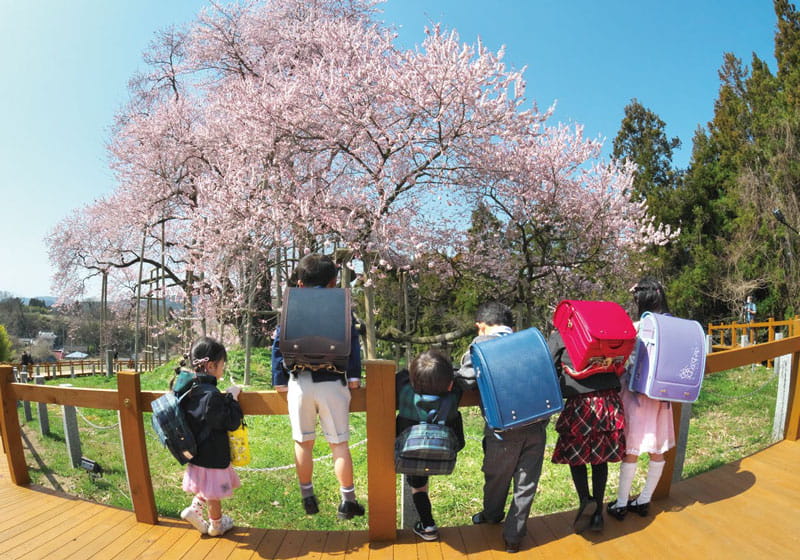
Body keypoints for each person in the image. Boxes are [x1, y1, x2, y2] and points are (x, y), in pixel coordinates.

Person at [271, 253, 365, 519]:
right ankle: (348, 501)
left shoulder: (290, 308)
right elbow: (352, 340)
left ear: (300, 283)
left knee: (304, 442)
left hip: (299, 383)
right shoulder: (340, 307)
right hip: (333, 383)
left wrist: (279, 380)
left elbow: (278, 344)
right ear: (334, 282)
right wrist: (355, 377)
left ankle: (307, 496)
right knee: (339, 445)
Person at [456, 301, 548, 554]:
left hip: (503, 429)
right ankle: (514, 537)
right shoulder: (531, 341)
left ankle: (492, 515)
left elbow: (466, 379)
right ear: (511, 325)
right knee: (526, 483)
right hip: (538, 424)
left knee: (496, 477)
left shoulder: (481, 345)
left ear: (481, 326)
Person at [607, 277, 675, 520]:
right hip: (664, 396)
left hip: (638, 394)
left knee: (632, 449)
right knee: (657, 447)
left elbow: (627, 359)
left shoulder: (641, 325)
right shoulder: (673, 324)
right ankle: (644, 500)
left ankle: (622, 503)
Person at [548, 324, 626, 534]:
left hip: (580, 403)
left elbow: (547, 365)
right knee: (599, 459)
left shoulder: (561, 336)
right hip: (608, 401)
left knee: (577, 457)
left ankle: (585, 500)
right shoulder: (606, 334)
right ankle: (598, 512)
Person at [396, 349, 465, 541]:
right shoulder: (454, 394)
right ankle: (427, 525)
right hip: (443, 452)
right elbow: (459, 381)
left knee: (418, 487)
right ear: (449, 383)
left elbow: (401, 376)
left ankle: (428, 526)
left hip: (411, 452)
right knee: (420, 484)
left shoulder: (404, 390)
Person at [178, 336, 243, 537]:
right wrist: (231, 397)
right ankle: (216, 525)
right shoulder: (211, 394)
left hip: (197, 452)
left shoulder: (188, 388)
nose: (223, 368)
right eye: (222, 364)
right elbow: (229, 422)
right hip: (213, 456)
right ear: (212, 365)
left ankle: (195, 509)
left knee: (207, 486)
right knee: (214, 493)